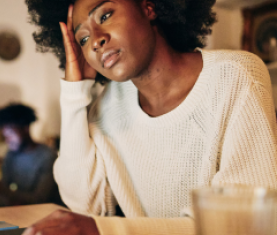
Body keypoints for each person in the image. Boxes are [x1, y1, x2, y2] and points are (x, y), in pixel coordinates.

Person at [21, 0, 277, 234]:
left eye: (105, 15)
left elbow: (244, 223)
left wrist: (105, 231)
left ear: (148, 7)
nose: (96, 40)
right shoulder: (106, 109)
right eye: (83, 39)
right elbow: (85, 205)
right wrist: (74, 92)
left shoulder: (235, 77)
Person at [0, 103, 61, 208]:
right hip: (16, 210)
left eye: (10, 134)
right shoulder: (11, 155)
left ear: (25, 128)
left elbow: (40, 199)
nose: (7, 140)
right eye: (5, 136)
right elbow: (4, 189)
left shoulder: (47, 157)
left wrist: (0, 189)